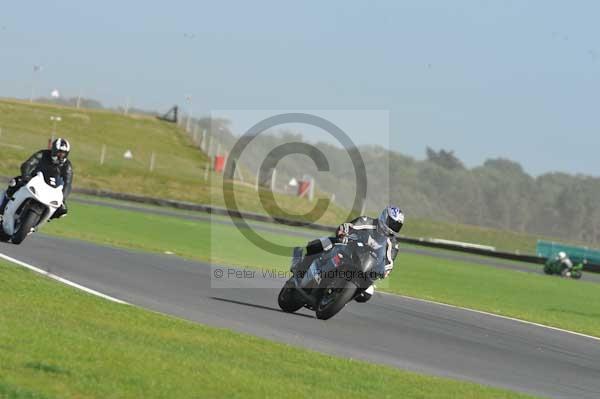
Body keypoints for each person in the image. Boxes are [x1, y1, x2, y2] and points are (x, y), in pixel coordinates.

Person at [292, 205, 404, 303]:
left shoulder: (393, 244)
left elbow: (389, 262)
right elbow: (349, 226)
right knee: (321, 243)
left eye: (396, 226)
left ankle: (337, 298)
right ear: (384, 217)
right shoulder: (367, 221)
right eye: (391, 223)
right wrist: (344, 232)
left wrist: (385, 271)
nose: (392, 228)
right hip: (349, 249)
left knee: (367, 293)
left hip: (365, 267)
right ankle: (300, 268)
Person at [0, 138, 73, 219]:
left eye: (63, 154)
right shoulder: (43, 154)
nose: (61, 156)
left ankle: (40, 220)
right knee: (14, 183)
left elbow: (68, 183)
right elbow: (28, 164)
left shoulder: (67, 166)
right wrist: (26, 176)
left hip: (51, 189)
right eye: (59, 152)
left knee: (62, 210)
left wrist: (62, 198)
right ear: (54, 150)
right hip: (33, 180)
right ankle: (1, 211)